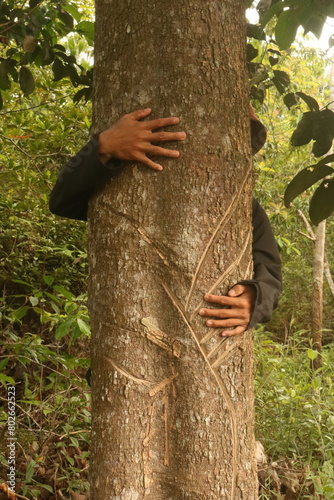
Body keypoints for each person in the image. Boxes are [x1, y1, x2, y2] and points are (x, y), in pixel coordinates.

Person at [50, 107, 281, 346]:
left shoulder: (242, 206)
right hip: (126, 346)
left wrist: (255, 300)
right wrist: (103, 145)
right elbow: (62, 201)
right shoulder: (123, 176)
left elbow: (271, 274)